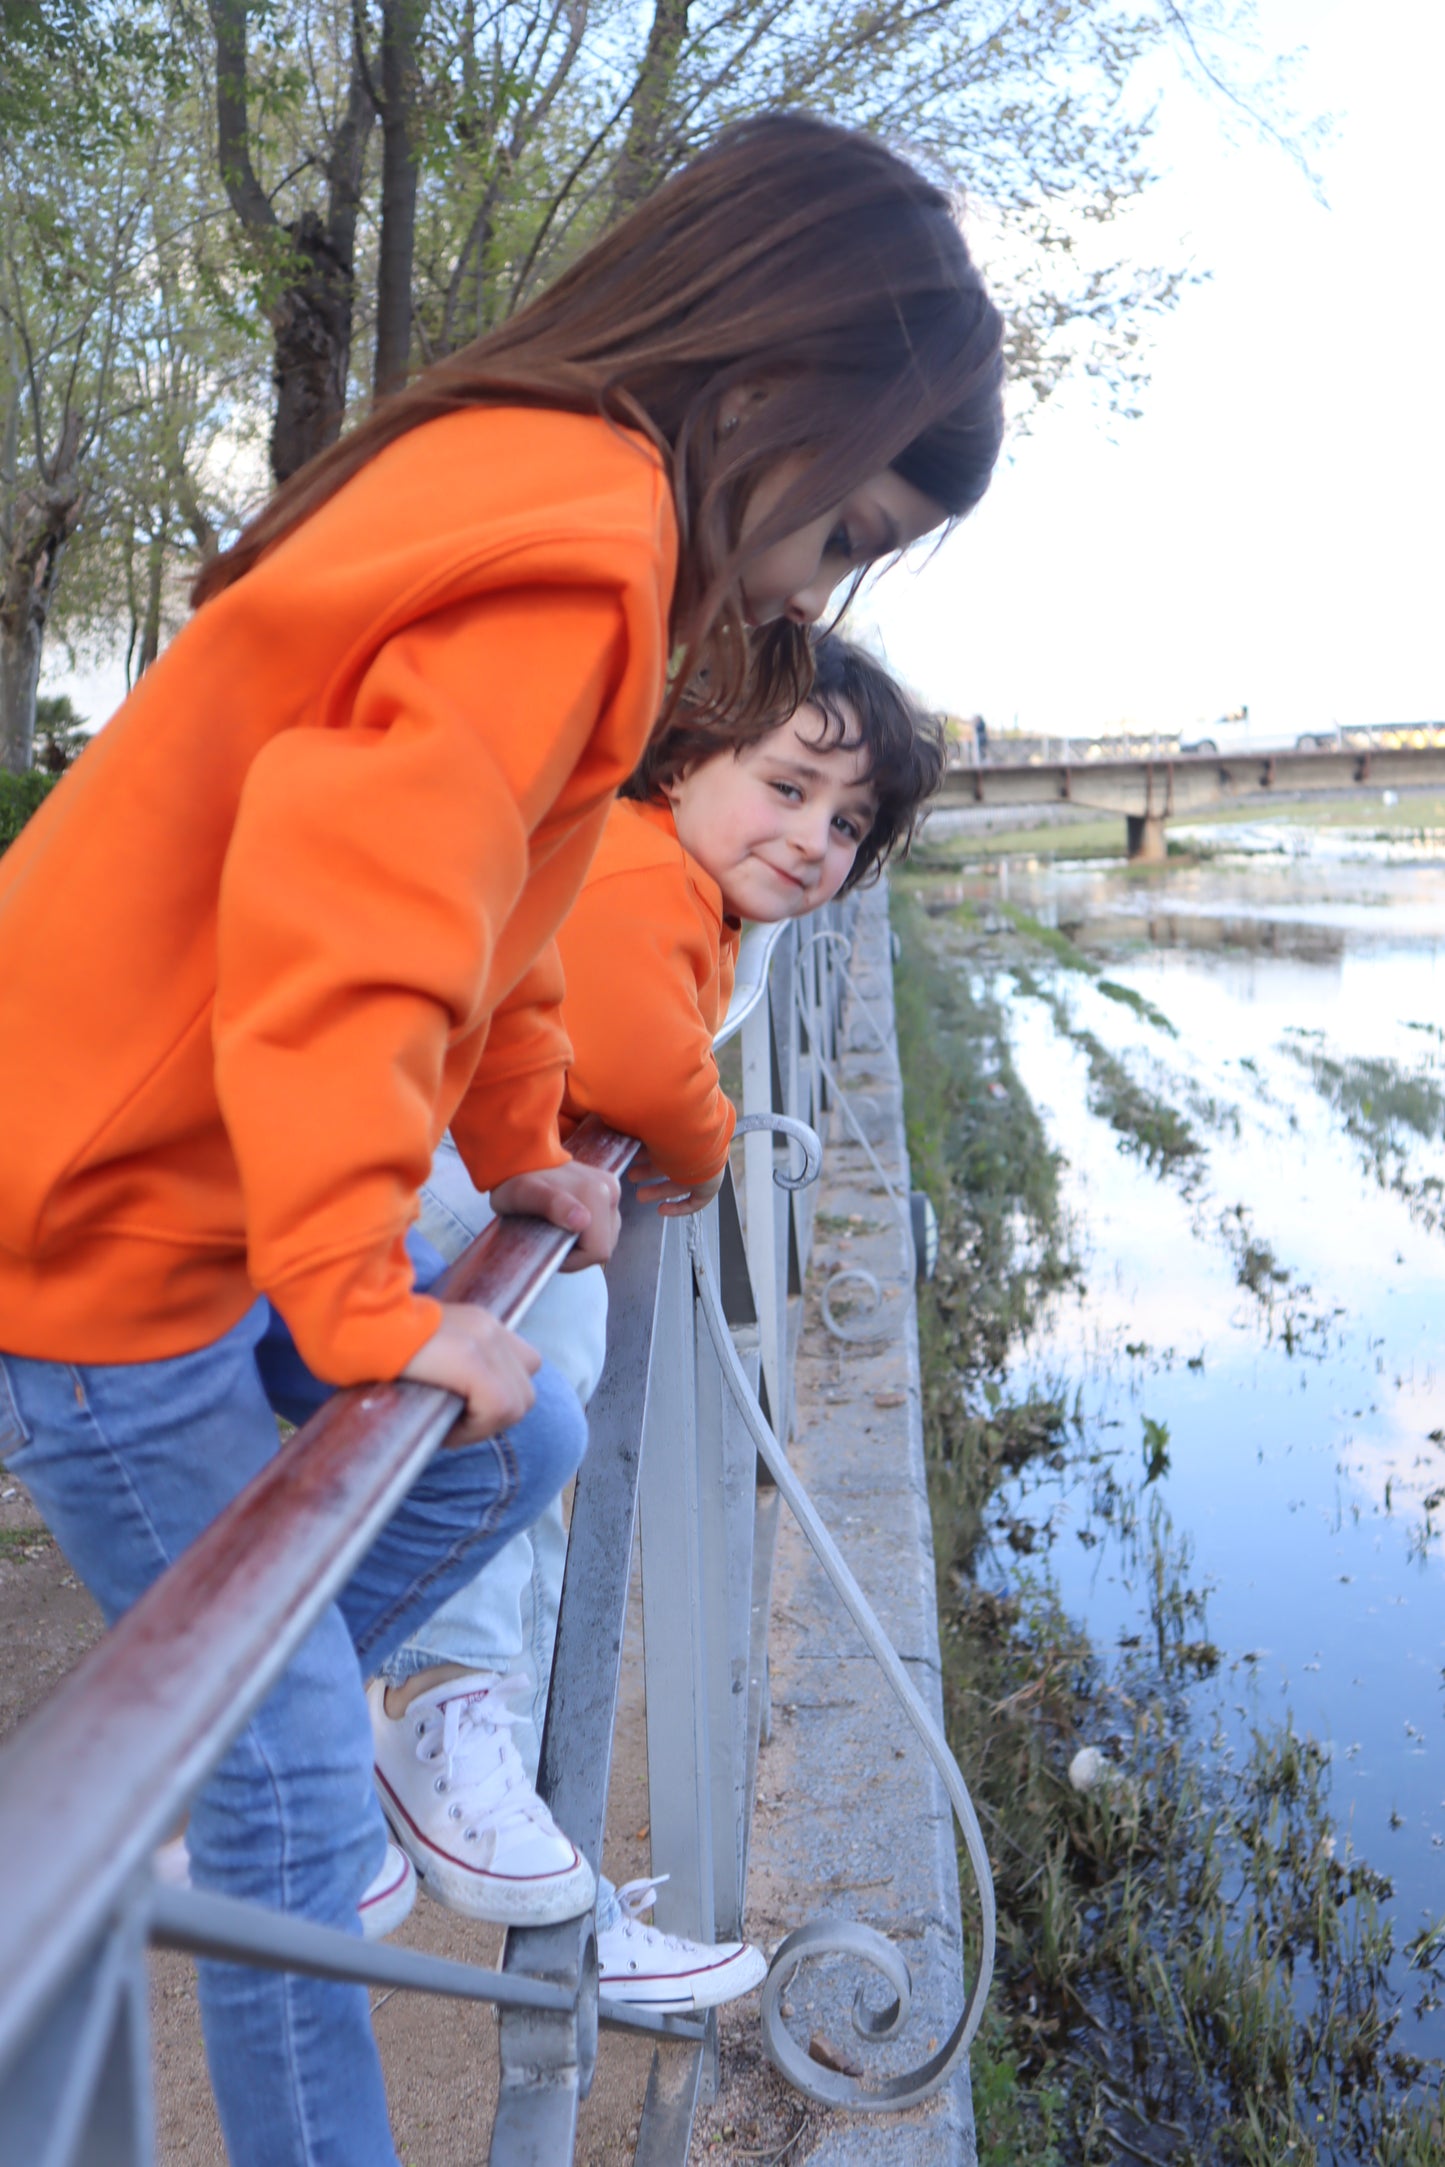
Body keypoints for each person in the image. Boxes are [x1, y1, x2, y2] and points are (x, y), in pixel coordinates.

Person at [0, 112, 1002, 2167]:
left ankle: (220, 1749)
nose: (815, 585)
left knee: (529, 1428)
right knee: (290, 1765)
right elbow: (354, 899)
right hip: (91, 1230)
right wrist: (364, 1289)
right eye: (839, 533)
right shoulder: (582, 529)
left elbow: (512, 899)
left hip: (172, 1201)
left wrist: (527, 1141)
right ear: (768, 396)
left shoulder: (556, 491)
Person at [372, 636, 945, 2012]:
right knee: (521, 1455)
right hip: (452, 1199)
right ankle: (442, 1729)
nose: (814, 841)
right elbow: (637, 1058)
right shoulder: (637, 867)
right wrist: (709, 1139)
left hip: (481, 1193)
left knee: (541, 1482)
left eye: (848, 822)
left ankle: (537, 1866)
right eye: (789, 786)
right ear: (683, 759)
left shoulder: (683, 882)